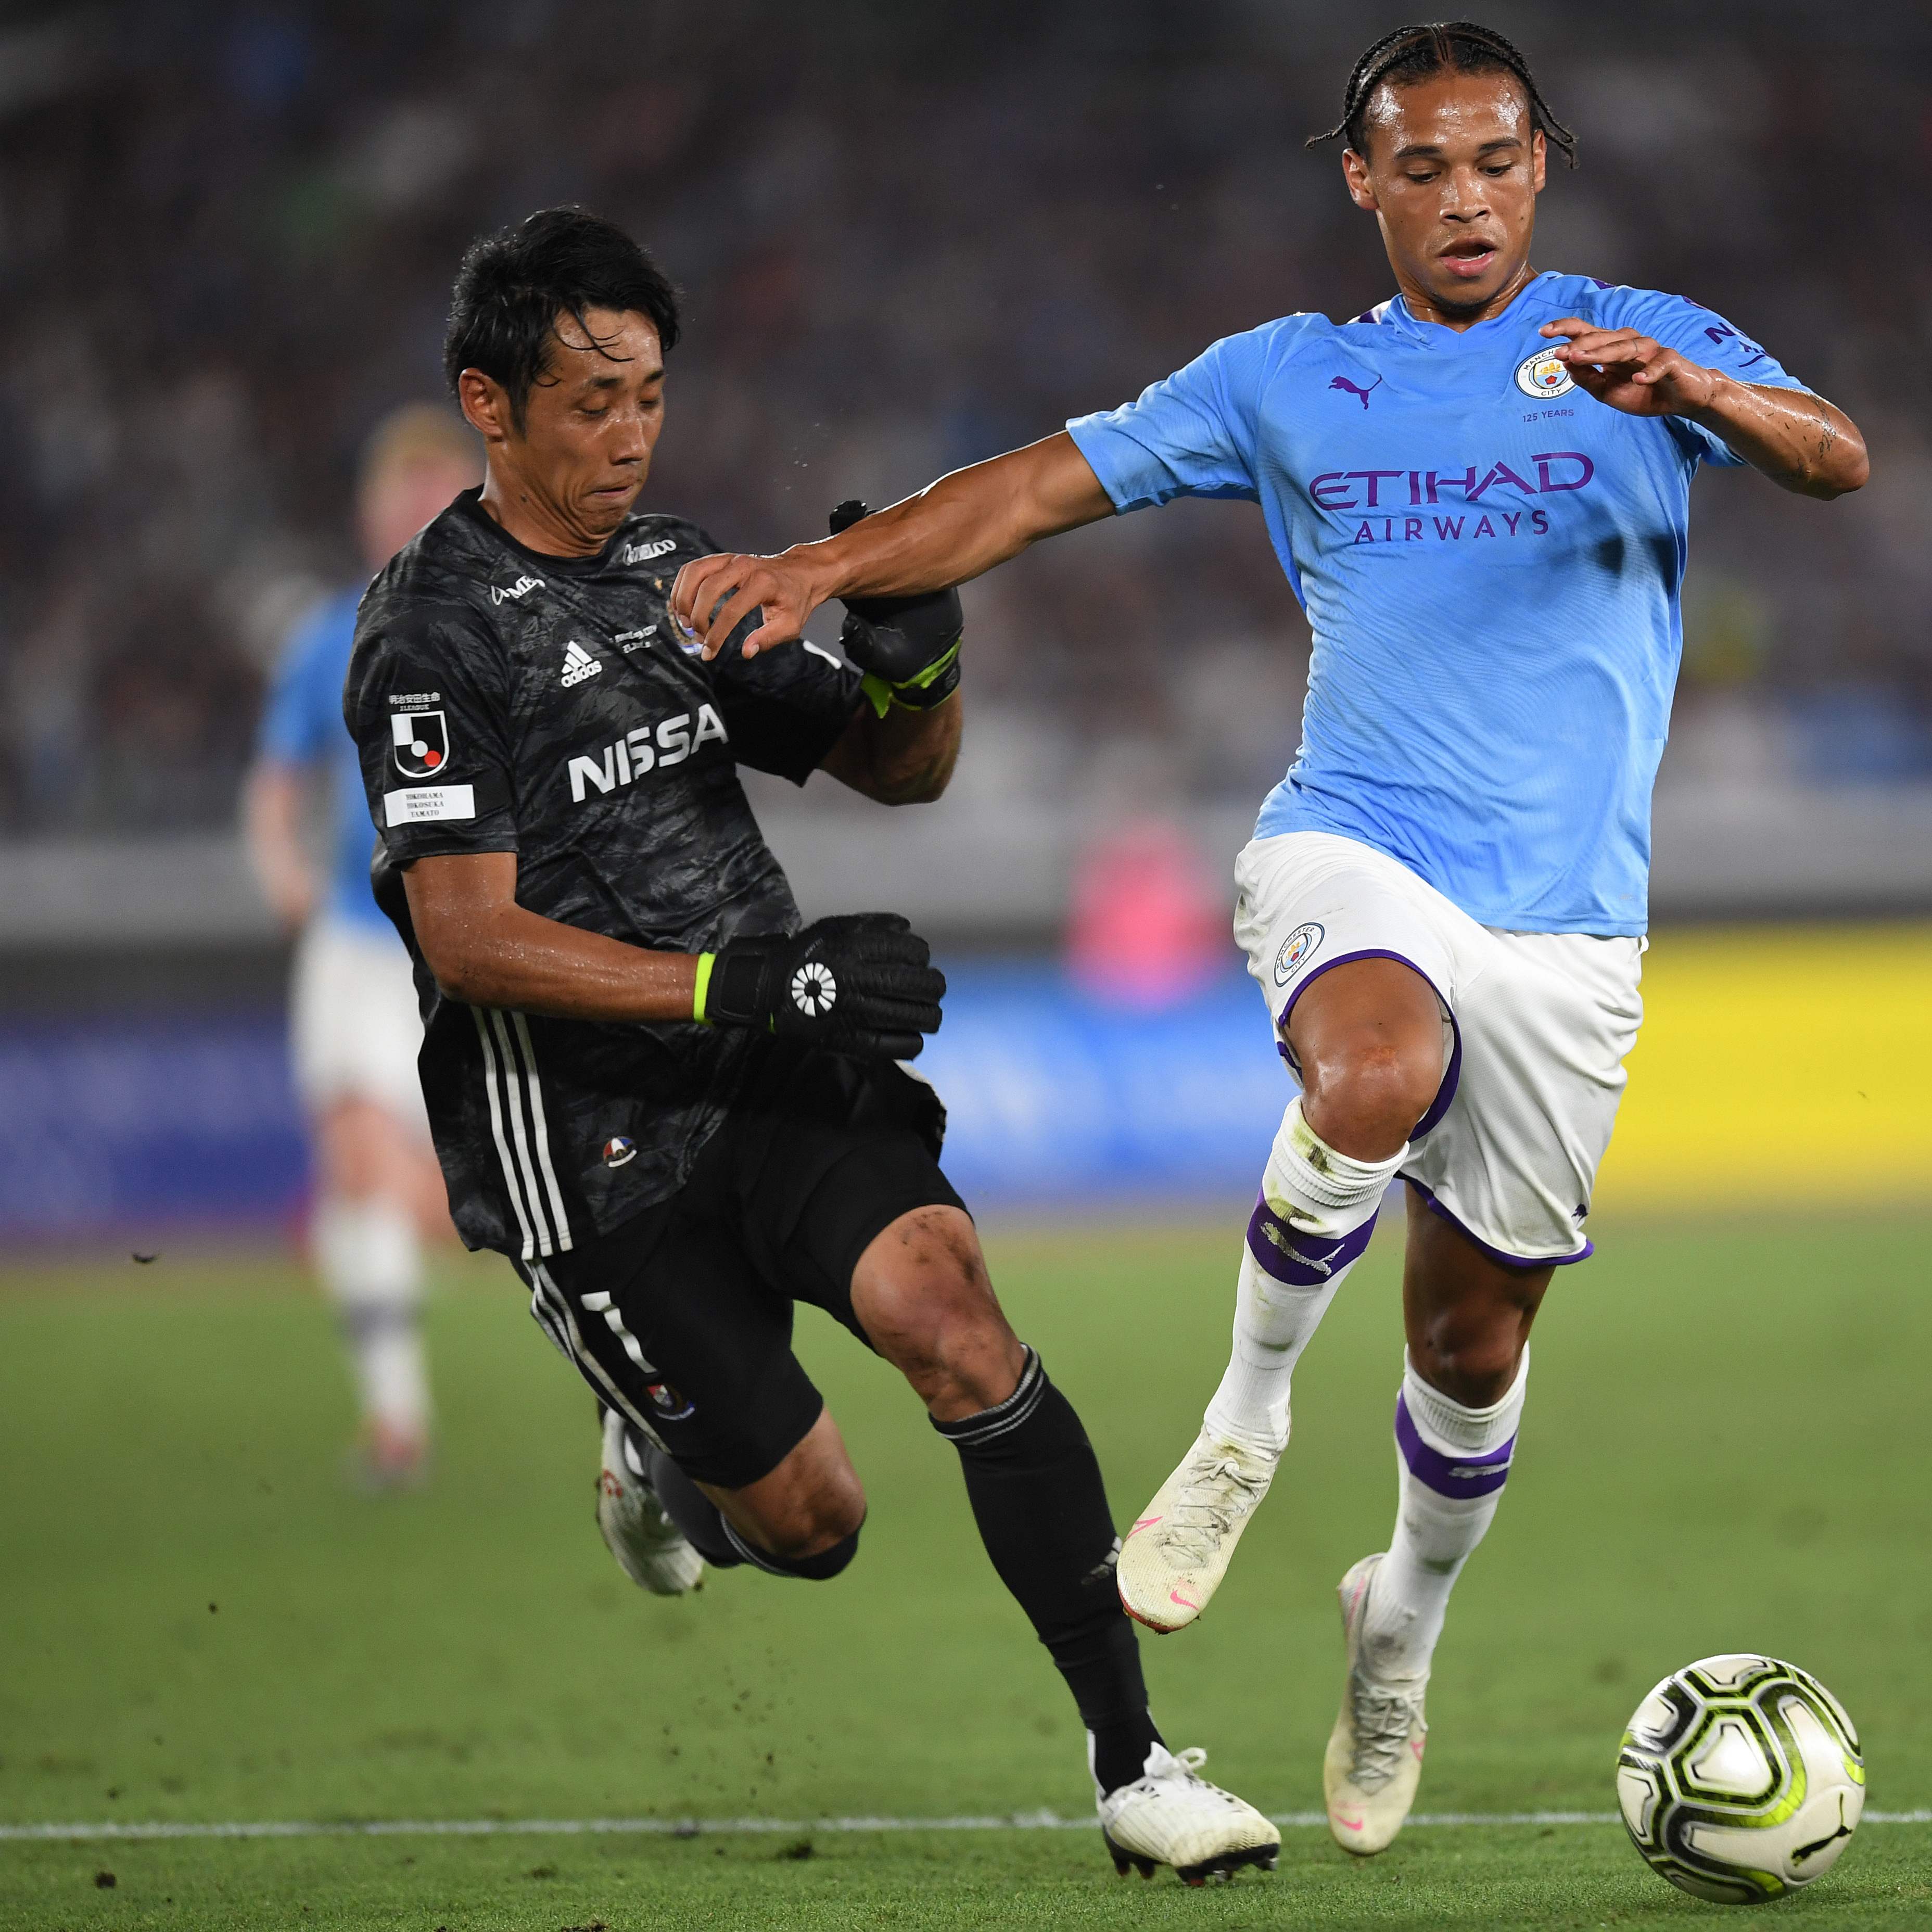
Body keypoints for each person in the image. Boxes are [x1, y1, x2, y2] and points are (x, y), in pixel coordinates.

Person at [671, 19, 1867, 1856]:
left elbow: (1832, 455)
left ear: (1537, 165)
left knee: (1470, 1347)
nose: (1460, 199)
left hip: (1564, 926)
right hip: (1355, 843)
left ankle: (1397, 1622)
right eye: (1422, 167)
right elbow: (1043, 482)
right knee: (1370, 1071)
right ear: (1361, 182)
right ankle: (1238, 1429)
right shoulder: (1288, 378)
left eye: (1491, 162)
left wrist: (1697, 398)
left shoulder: (1644, 336)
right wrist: (837, 568)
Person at [345, 207, 1277, 1883]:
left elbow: (895, 772)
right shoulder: (431, 638)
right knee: (814, 1528)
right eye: (589, 401)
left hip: (783, 1064)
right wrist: (731, 990)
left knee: (953, 1316)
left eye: (649, 395)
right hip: (591, 1152)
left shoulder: (677, 580)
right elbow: (465, 938)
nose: (630, 434)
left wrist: (921, 669)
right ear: (489, 406)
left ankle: (1137, 1765)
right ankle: (665, 1459)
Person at [242, 404, 475, 1486]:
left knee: (409, 1188)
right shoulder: (328, 634)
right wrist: (284, 872)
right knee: (356, 1155)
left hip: (470, 938)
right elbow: (278, 780)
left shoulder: (501, 624)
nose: (414, 507)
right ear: (371, 510)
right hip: (353, 932)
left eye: (435, 489)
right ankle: (398, 1422)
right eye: (401, 490)